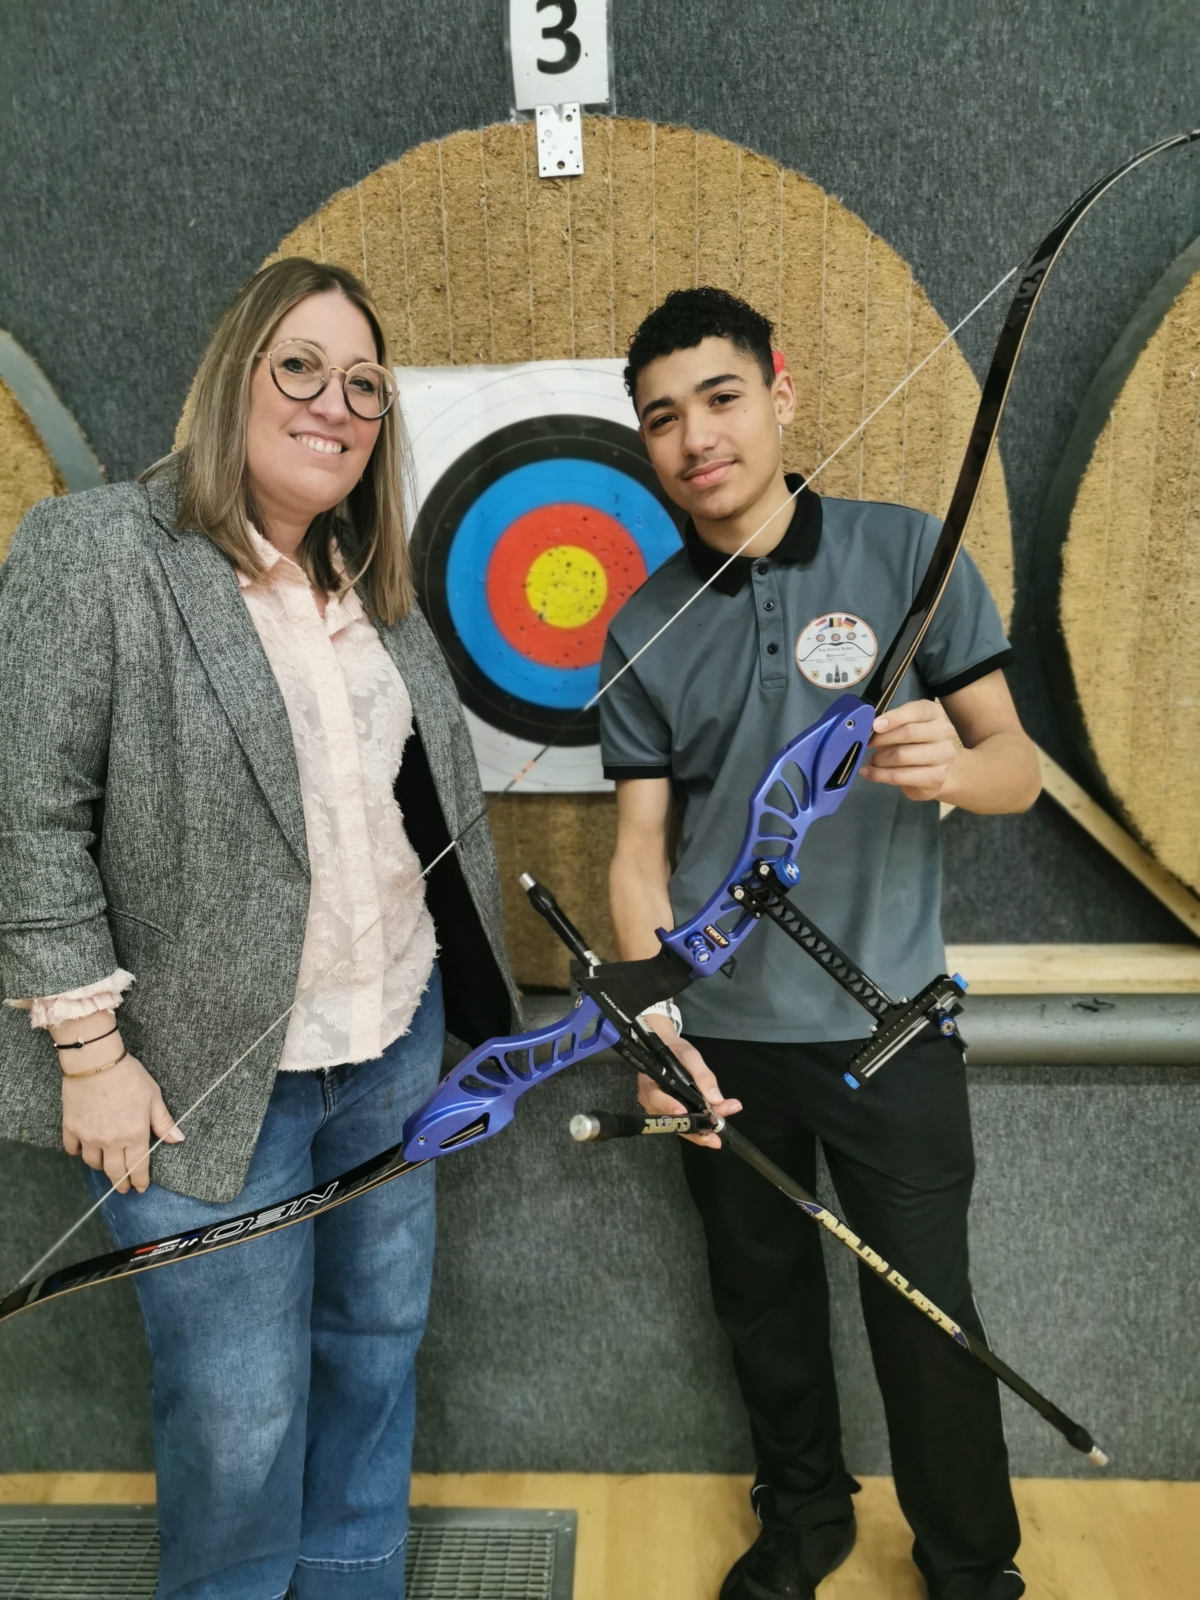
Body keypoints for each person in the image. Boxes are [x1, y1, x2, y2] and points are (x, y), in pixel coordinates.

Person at [0, 258, 517, 1600]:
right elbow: (26, 811)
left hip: (394, 1048)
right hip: (192, 1084)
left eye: (364, 385)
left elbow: (410, 815)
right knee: (236, 1417)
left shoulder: (373, 587)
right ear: (234, 374)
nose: (334, 403)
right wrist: (89, 1049)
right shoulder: (98, 548)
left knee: (373, 1349)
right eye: (301, 366)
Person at [601, 288, 1040, 1600]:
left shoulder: (910, 551)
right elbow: (636, 859)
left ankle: (973, 1567)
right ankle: (805, 1522)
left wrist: (954, 768)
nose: (696, 439)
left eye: (722, 399)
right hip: (723, 1038)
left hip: (890, 1029)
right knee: (764, 1311)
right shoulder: (642, 623)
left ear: (781, 395)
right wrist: (654, 1028)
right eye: (664, 418)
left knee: (930, 1324)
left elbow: (1019, 766)